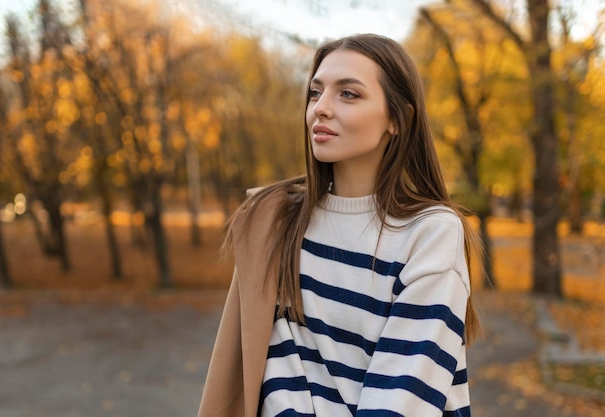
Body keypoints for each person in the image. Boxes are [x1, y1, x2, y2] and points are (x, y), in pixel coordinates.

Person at [198, 33, 481, 417]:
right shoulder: (276, 222)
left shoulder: (429, 232)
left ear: (399, 119)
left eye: (348, 94)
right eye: (316, 93)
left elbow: (403, 400)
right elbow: (279, 380)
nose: (321, 109)